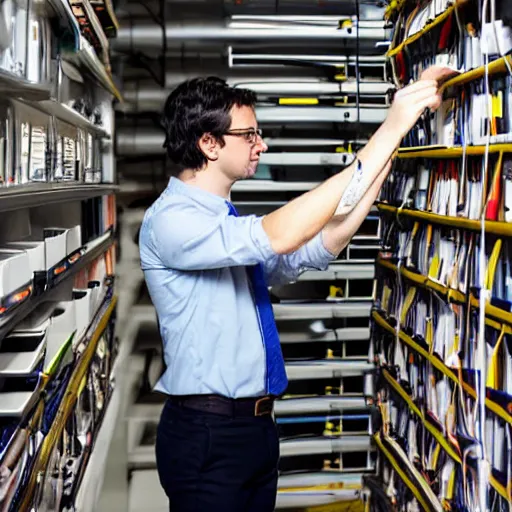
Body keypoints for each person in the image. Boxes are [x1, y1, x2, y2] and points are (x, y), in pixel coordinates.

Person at [138, 69, 443, 511]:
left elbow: (313, 247)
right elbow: (281, 237)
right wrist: (389, 125)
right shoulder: (171, 221)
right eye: (249, 135)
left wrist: (385, 155)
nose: (261, 144)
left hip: (255, 429)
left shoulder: (222, 222)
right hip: (207, 433)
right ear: (209, 143)